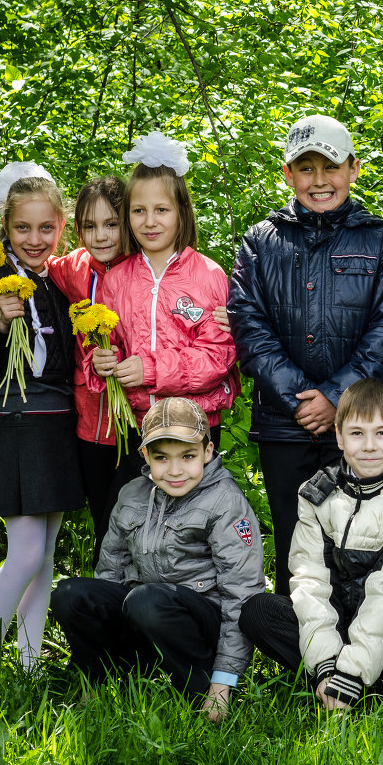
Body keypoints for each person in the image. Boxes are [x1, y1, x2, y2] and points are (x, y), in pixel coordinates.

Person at [229, 114, 383, 597]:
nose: (319, 180)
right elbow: (249, 327)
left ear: (352, 169)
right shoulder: (260, 242)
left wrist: (336, 399)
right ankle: (297, 642)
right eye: (305, 169)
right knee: (294, 536)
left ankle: (357, 641)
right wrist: (301, 401)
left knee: (359, 534)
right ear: (287, 174)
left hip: (357, 424)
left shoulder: (381, 240)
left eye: (329, 167)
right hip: (285, 424)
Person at [239, 378, 383, 711]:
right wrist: (327, 662)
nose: (369, 446)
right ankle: (329, 683)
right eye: (357, 433)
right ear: (338, 436)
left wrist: (353, 672)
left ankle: (379, 691)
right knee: (258, 611)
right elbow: (310, 584)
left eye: (382, 433)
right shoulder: (317, 494)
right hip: (339, 623)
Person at [50, 397, 264, 721]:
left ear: (207, 452)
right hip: (145, 615)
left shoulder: (226, 502)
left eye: (188, 456)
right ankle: (99, 683)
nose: (175, 470)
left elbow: (242, 596)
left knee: (146, 600)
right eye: (162, 458)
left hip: (200, 623)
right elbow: (110, 572)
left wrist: (224, 680)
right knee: (71, 594)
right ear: (145, 456)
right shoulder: (132, 494)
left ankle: (199, 689)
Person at [0, 164, 81, 671]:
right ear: (5, 229)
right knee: (27, 550)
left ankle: (30, 660)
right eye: (22, 228)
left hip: (59, 422)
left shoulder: (55, 282)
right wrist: (0, 322)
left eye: (46, 227)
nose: (35, 239)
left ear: (61, 226)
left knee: (47, 551)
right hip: (21, 418)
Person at [88, 132, 239, 510]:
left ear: (182, 212)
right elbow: (109, 344)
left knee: (195, 525)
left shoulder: (208, 275)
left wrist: (150, 369)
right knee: (128, 522)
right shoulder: (117, 279)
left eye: (162, 210)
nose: (150, 221)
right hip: (137, 428)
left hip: (195, 428)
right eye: (139, 211)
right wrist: (103, 361)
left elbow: (217, 358)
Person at [46, 175, 129, 560]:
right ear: (77, 229)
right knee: (103, 520)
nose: (100, 236)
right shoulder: (72, 268)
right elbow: (34, 260)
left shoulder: (141, 270)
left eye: (111, 223)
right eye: (89, 226)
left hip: (132, 421)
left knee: (131, 520)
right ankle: (105, 605)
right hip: (89, 424)